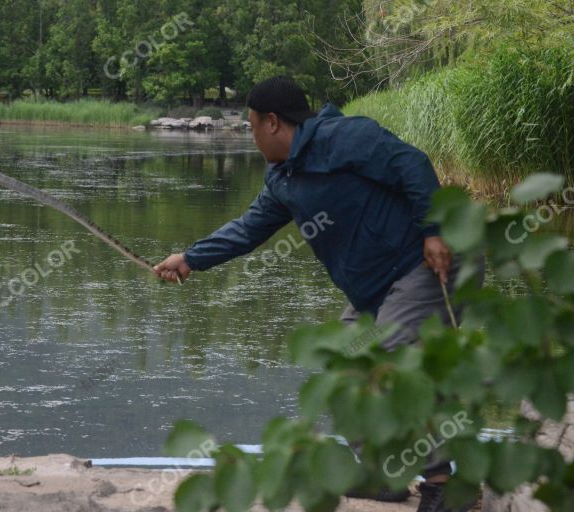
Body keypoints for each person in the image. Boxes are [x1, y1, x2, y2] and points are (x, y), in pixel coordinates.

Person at [153, 76, 481, 512]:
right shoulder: (282, 177)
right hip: (377, 288)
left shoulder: (346, 137)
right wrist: (191, 258)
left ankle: (444, 487)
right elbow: (249, 229)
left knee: (390, 358)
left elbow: (413, 165)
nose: (251, 136)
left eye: (251, 126)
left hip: (423, 265)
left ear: (273, 123)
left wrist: (435, 231)